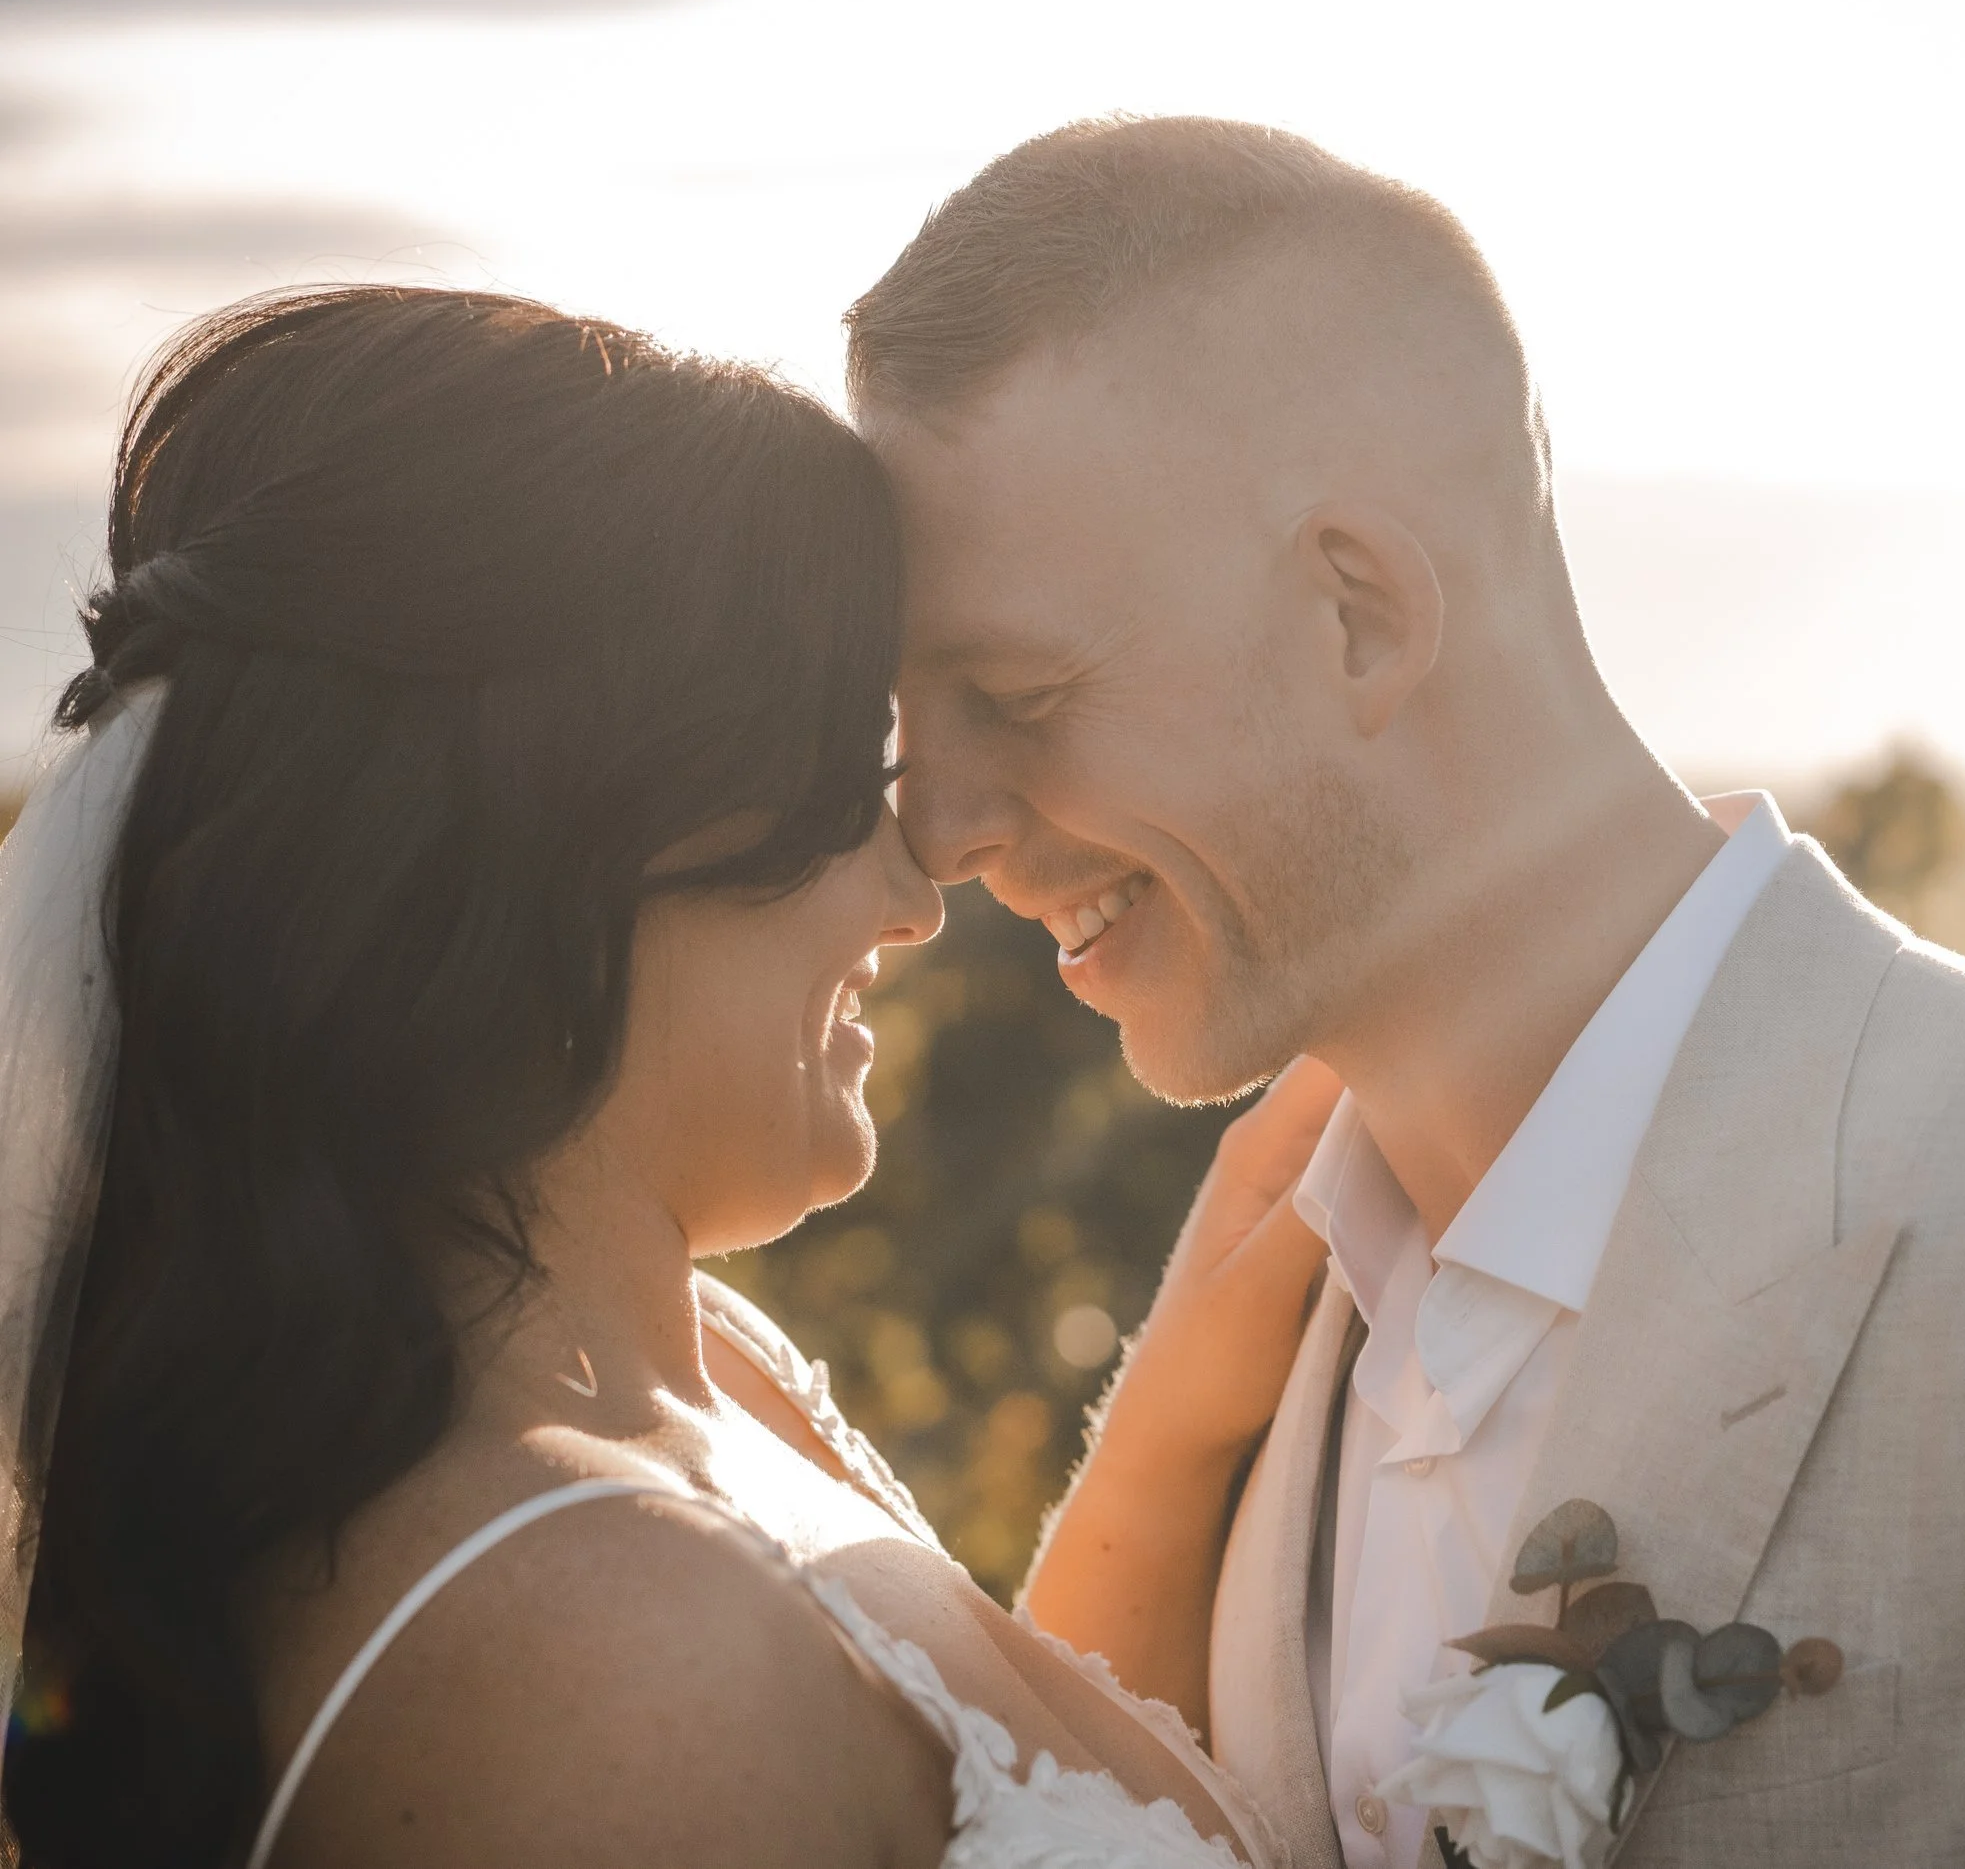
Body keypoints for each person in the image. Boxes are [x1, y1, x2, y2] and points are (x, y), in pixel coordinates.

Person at [850, 116, 1965, 1867]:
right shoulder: (1260, 1376)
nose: (938, 830)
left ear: (1358, 616)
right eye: (908, 722)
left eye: (1017, 698)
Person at [0, 283, 1337, 1868]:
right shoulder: (606, 1670)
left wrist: (1188, 1392)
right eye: (854, 779)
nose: (912, 899)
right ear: (592, 833)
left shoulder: (698, 1357)